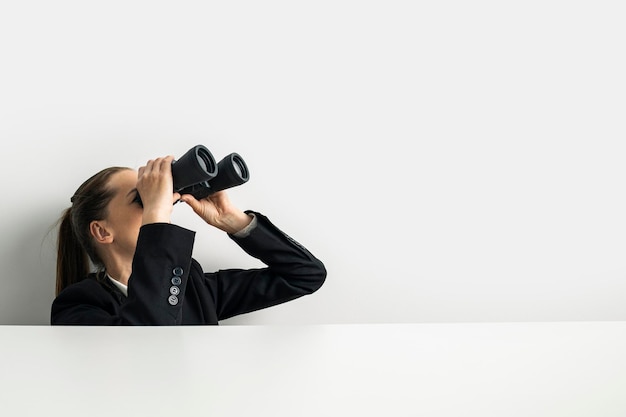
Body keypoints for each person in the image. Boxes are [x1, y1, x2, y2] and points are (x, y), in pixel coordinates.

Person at [51, 155, 326, 325]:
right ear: (102, 231)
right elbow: (147, 345)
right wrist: (156, 214)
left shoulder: (190, 287)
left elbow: (305, 275)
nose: (162, 205)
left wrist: (234, 221)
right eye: (141, 199)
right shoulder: (77, 307)